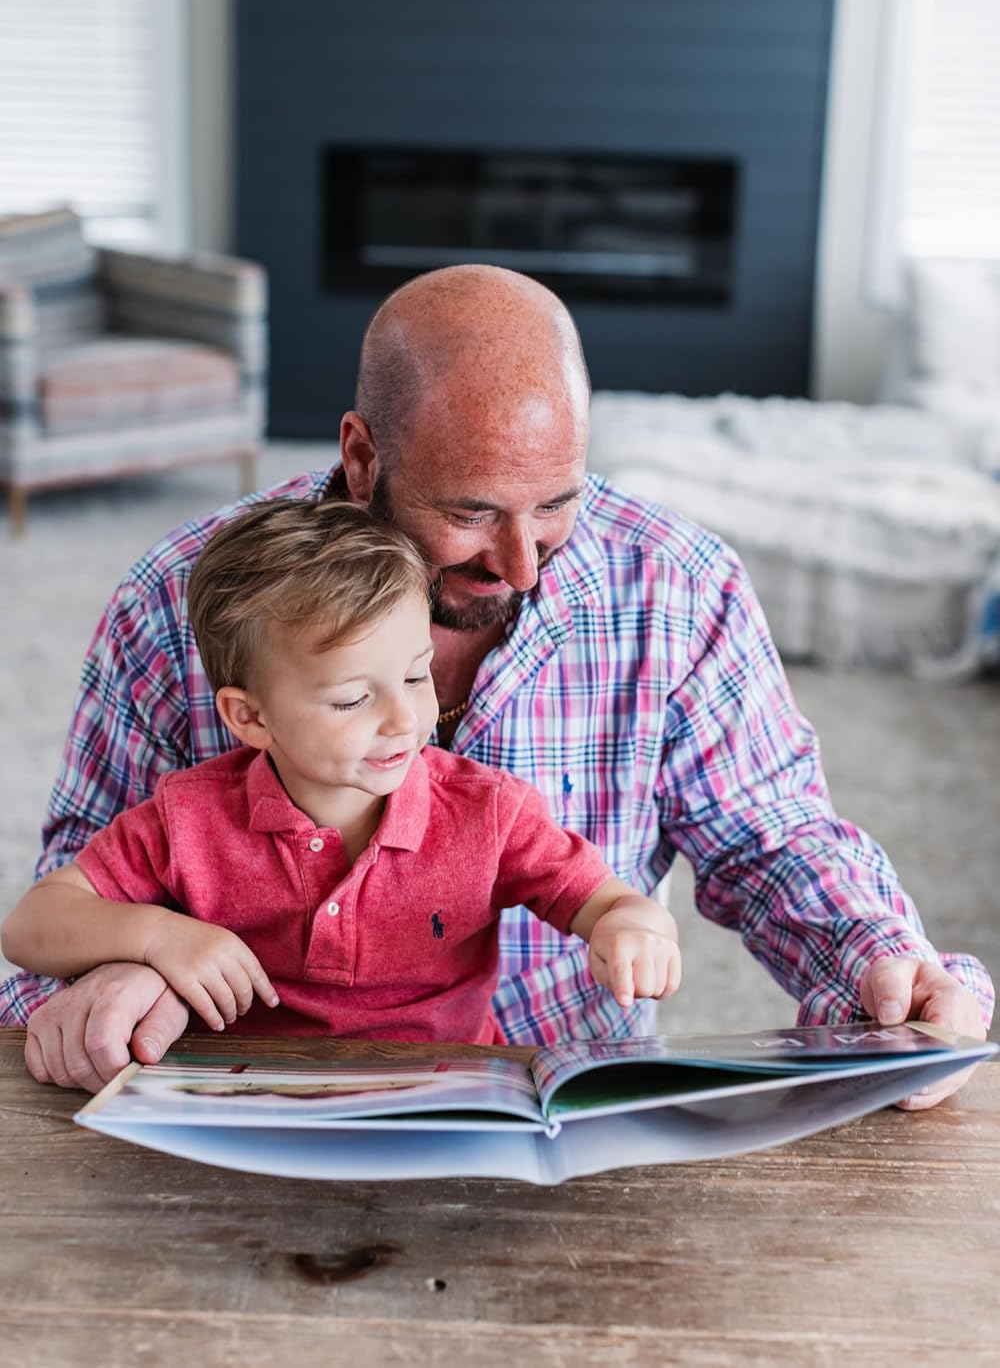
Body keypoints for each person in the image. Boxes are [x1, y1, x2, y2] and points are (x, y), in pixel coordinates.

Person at [2, 265, 991, 1106]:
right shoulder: (178, 600)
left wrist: (873, 959)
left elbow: (771, 836)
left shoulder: (679, 587)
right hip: (254, 1092)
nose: (522, 565)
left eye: (556, 502)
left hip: (569, 1092)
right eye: (471, 512)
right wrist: (112, 976)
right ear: (360, 457)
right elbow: (71, 889)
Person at [1, 500, 680, 1040]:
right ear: (250, 718)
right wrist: (156, 936)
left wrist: (630, 926)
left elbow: (605, 901)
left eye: (416, 676)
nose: (402, 720)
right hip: (252, 1121)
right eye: (354, 697)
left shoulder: (489, 812)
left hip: (450, 1114)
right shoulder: (189, 818)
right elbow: (29, 925)